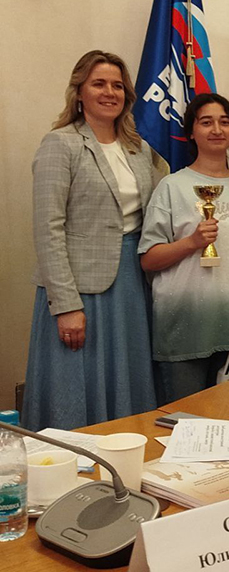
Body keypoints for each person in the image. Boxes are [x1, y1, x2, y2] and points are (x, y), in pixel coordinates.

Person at [22, 50, 157, 431]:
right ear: (79, 91)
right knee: (75, 385)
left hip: (131, 285)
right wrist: (66, 305)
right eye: (99, 84)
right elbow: (48, 228)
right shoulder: (60, 144)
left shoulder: (139, 149)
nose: (109, 92)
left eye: (117, 85)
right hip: (78, 290)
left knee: (126, 380)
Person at [139, 93, 229, 403]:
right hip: (184, 324)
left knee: (228, 419)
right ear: (191, 131)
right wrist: (191, 242)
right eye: (206, 122)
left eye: (225, 122)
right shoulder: (171, 186)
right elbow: (148, 259)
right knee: (184, 422)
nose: (216, 129)